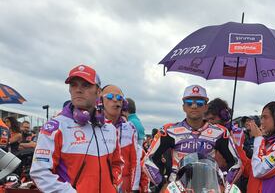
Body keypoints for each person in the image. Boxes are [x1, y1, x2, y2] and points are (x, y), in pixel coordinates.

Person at [30, 64, 122, 193]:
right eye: (73, 85)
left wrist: (113, 185)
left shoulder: (110, 128)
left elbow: (117, 163)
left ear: (98, 92)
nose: (78, 90)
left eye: (86, 85)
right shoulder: (55, 127)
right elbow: (40, 173)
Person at [143, 85, 242, 190]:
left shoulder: (220, 132)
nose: (194, 106)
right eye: (189, 102)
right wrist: (162, 184)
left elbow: (236, 163)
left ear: (206, 107)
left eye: (199, 103)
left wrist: (224, 184)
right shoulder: (169, 131)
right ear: (183, 107)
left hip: (208, 188)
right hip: (177, 188)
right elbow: (148, 160)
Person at [101, 84, 144, 193]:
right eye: (110, 96)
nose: (115, 100)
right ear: (100, 101)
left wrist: (134, 189)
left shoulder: (130, 128)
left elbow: (135, 162)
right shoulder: (93, 126)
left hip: (124, 187)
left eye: (119, 98)